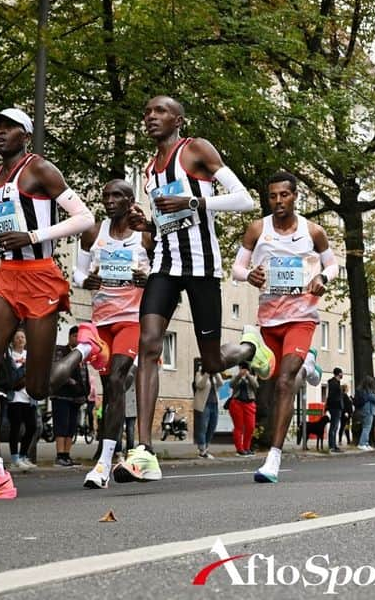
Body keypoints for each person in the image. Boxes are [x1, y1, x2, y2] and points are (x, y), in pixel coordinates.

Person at [0, 107, 95, 499]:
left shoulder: (40, 170)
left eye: (8, 127)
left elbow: (84, 218)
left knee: (36, 388)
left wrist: (31, 235)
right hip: (6, 279)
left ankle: (83, 349)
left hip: (42, 275)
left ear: (25, 135)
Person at [117, 95, 257, 482]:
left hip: (201, 267)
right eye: (146, 112)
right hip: (164, 265)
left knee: (211, 362)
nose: (150, 117)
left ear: (179, 119)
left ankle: (249, 348)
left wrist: (195, 200)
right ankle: (143, 451)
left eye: (160, 111)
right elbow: (167, 221)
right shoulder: (148, 169)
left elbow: (244, 199)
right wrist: (146, 224)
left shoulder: (195, 150)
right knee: (148, 345)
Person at [232, 171, 340, 481]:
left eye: (285, 195)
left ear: (295, 196)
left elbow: (331, 264)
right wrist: (247, 275)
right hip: (269, 320)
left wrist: (322, 278)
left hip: (301, 317)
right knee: (270, 378)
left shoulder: (313, 231)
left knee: (284, 383)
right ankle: (309, 364)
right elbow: (238, 266)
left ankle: (273, 459)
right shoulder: (257, 229)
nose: (279, 201)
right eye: (273, 196)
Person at [64, 179, 152, 489]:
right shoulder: (93, 233)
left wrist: (148, 279)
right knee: (109, 389)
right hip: (101, 321)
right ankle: (112, 453)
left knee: (115, 380)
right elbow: (78, 272)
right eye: (106, 196)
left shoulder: (145, 236)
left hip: (131, 319)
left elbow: (162, 272)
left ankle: (102, 464)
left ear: (131, 200)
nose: (110, 200)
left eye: (117, 195)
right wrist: (84, 281)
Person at [50, 326, 90, 466]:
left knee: (71, 427)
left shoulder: (82, 355)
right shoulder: (61, 351)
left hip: (77, 397)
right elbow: (58, 370)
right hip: (62, 395)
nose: (78, 340)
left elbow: (85, 375)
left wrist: (86, 390)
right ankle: (59, 455)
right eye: (76, 337)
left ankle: (67, 455)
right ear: (70, 336)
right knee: (61, 425)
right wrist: (72, 383)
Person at [4, 329, 37, 471]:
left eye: (23, 337)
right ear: (13, 340)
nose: (20, 339)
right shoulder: (9, 356)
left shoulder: (30, 356)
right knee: (15, 429)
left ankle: (23, 456)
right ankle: (14, 459)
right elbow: (12, 377)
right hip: (15, 398)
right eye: (17, 337)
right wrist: (24, 366)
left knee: (32, 427)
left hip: (29, 398)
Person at [227, 362, 259, 456]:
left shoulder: (252, 377)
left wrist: (248, 376)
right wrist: (239, 376)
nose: (243, 370)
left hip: (249, 404)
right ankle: (240, 449)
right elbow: (231, 384)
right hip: (237, 403)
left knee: (250, 427)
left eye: (245, 369)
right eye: (241, 368)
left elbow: (256, 385)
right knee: (239, 427)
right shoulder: (236, 377)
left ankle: (247, 447)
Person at [193, 359, 223, 458]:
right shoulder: (199, 374)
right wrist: (206, 374)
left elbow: (221, 383)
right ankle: (202, 450)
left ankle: (206, 448)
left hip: (214, 404)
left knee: (212, 426)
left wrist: (216, 373)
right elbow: (200, 385)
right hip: (204, 405)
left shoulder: (214, 376)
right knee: (203, 427)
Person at [323, 369, 345, 457]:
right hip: (336, 407)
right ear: (339, 374)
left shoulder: (333, 382)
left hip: (334, 407)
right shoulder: (335, 383)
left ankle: (333, 445)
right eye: (341, 373)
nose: (342, 374)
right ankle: (332, 445)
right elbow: (333, 396)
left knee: (334, 427)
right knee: (334, 426)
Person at [356, 376, 375, 450]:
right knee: (367, 427)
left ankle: (366, 443)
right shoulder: (369, 391)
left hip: (362, 410)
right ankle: (362, 443)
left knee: (365, 427)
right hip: (369, 410)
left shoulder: (361, 390)